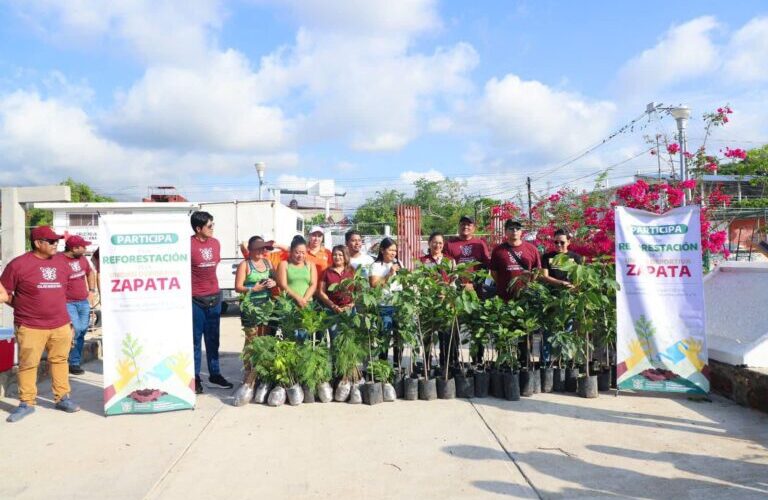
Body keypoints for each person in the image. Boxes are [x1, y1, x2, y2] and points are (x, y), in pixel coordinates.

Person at [0, 226, 81, 422]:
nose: (56, 244)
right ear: (38, 243)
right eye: (52, 241)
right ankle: (26, 403)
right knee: (28, 365)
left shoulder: (62, 263)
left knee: (60, 361)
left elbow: (64, 293)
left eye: (57, 241)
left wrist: (69, 322)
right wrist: (22, 306)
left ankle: (62, 398)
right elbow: (4, 292)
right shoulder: (18, 265)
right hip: (30, 325)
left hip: (60, 324)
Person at [190, 211, 233, 394]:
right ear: (198, 228)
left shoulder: (215, 243)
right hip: (195, 299)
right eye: (209, 226)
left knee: (213, 339)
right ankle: (195, 377)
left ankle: (215, 374)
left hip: (215, 297)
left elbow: (213, 265)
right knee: (195, 341)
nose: (212, 228)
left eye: (213, 224)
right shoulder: (187, 245)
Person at [234, 236, 277, 388]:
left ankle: (260, 370)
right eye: (259, 248)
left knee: (263, 338)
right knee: (251, 339)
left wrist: (273, 282)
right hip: (250, 306)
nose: (261, 251)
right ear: (251, 250)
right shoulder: (245, 265)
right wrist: (253, 288)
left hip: (266, 305)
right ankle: (248, 371)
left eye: (263, 248)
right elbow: (238, 287)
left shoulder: (267, 262)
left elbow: (275, 279)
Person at [55, 235, 97, 375]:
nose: (86, 249)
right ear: (74, 248)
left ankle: (74, 363)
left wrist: (91, 291)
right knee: (77, 330)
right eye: (83, 247)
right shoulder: (58, 259)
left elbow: (90, 273)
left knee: (82, 332)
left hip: (83, 301)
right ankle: (63, 359)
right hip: (67, 303)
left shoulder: (82, 259)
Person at [419, 232, 457, 369]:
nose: (438, 245)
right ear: (429, 243)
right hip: (428, 303)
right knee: (427, 336)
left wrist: (447, 295)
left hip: (445, 304)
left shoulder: (450, 260)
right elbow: (419, 283)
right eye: (435, 242)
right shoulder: (422, 261)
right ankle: (427, 365)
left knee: (445, 336)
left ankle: (444, 365)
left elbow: (453, 282)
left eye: (440, 243)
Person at [369, 238, 403, 365]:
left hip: (398, 306)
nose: (393, 253)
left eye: (395, 250)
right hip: (383, 307)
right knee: (384, 337)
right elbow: (374, 285)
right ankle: (382, 366)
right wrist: (390, 274)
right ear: (382, 250)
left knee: (399, 337)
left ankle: (397, 366)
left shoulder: (399, 264)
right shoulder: (376, 266)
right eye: (390, 250)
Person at [489, 219, 541, 302]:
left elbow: (537, 270)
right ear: (505, 231)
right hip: (504, 296)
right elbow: (494, 273)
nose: (515, 231)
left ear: (521, 232)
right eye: (511, 228)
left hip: (526, 296)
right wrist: (503, 284)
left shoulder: (532, 249)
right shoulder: (498, 250)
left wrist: (530, 283)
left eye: (517, 228)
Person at [277, 236, 317, 311]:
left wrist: (304, 300)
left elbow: (313, 284)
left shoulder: (310, 265)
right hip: (289, 304)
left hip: (307, 303)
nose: (300, 256)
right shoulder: (284, 264)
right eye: (297, 252)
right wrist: (298, 298)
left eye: (303, 253)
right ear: (291, 251)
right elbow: (283, 285)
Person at [317, 245, 356, 315]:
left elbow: (358, 291)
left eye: (340, 255)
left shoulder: (352, 271)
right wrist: (333, 306)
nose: (337, 257)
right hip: (331, 310)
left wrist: (351, 304)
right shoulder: (326, 272)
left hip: (350, 310)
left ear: (345, 256)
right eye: (334, 255)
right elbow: (321, 292)